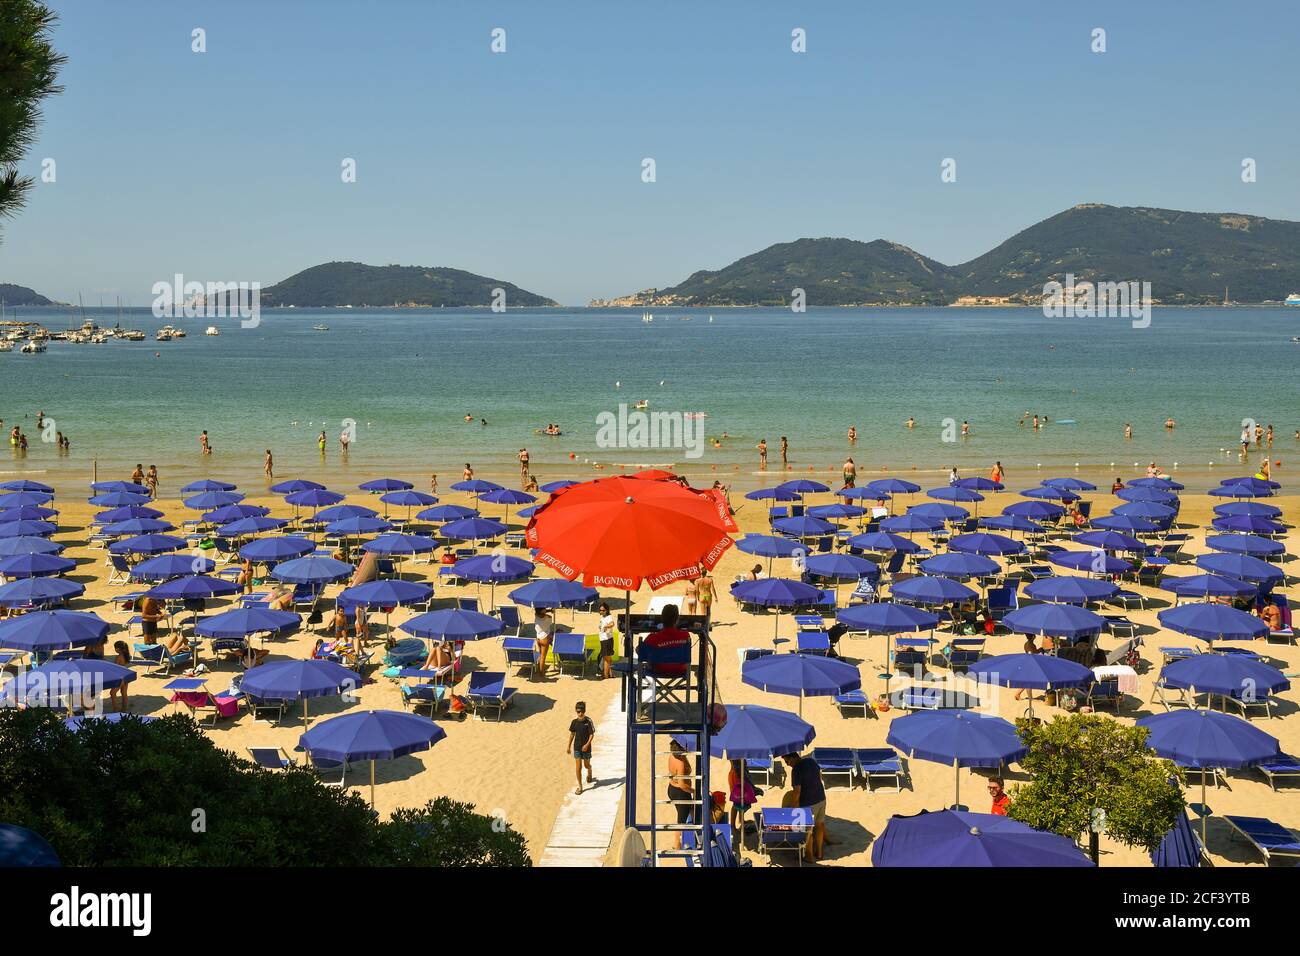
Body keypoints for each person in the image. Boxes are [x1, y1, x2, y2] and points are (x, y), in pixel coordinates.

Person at [782, 750, 826, 864]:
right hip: (821, 798)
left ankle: (809, 856)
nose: (787, 764)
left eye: (787, 761)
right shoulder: (811, 761)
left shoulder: (796, 770)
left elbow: (797, 792)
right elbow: (820, 776)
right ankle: (820, 853)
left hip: (808, 803)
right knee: (819, 825)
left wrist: (792, 808)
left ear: (792, 758)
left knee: (808, 830)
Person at [637, 603, 692, 678]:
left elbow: (639, 651)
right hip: (680, 670)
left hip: (658, 670)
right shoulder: (685, 636)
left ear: (662, 619)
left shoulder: (653, 638)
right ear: (676, 619)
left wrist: (650, 660)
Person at [666, 738, 696, 848]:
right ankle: (676, 844)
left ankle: (696, 832)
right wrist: (694, 791)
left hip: (671, 788)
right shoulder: (680, 763)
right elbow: (682, 785)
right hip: (681, 792)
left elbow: (671, 774)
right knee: (681, 820)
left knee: (691, 809)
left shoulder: (672, 756)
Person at [567, 701, 596, 795]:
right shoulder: (574, 722)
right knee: (578, 767)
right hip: (577, 748)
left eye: (582, 711)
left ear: (584, 710)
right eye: (578, 711)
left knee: (586, 765)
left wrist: (587, 744)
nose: (580, 713)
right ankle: (580, 787)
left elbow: (592, 734)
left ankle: (590, 771)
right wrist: (568, 746)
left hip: (586, 748)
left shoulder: (588, 721)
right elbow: (572, 734)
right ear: (576, 711)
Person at [728, 758, 759, 834]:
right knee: (736, 801)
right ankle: (732, 826)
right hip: (736, 776)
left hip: (739, 775)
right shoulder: (735, 750)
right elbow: (737, 766)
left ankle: (741, 820)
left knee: (743, 799)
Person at [533, 608, 555, 680]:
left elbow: (540, 612)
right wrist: (551, 611)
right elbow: (549, 618)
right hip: (544, 638)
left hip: (538, 637)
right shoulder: (548, 618)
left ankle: (540, 668)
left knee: (540, 655)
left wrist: (548, 611)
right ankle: (541, 673)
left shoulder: (536, 616)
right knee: (543, 657)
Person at [109, 640, 131, 711]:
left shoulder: (118, 657)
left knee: (112, 693)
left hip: (120, 677)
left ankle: (115, 708)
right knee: (124, 693)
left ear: (118, 649)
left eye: (115, 648)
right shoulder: (125, 656)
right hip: (126, 676)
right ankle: (124, 709)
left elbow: (115, 668)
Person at [597, 602, 616, 679]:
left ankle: (605, 675)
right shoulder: (602, 618)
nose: (601, 611)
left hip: (607, 640)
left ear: (606, 610)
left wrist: (606, 626)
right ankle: (610, 673)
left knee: (606, 658)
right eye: (600, 610)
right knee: (607, 658)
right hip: (603, 639)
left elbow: (612, 624)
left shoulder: (609, 617)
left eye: (603, 610)